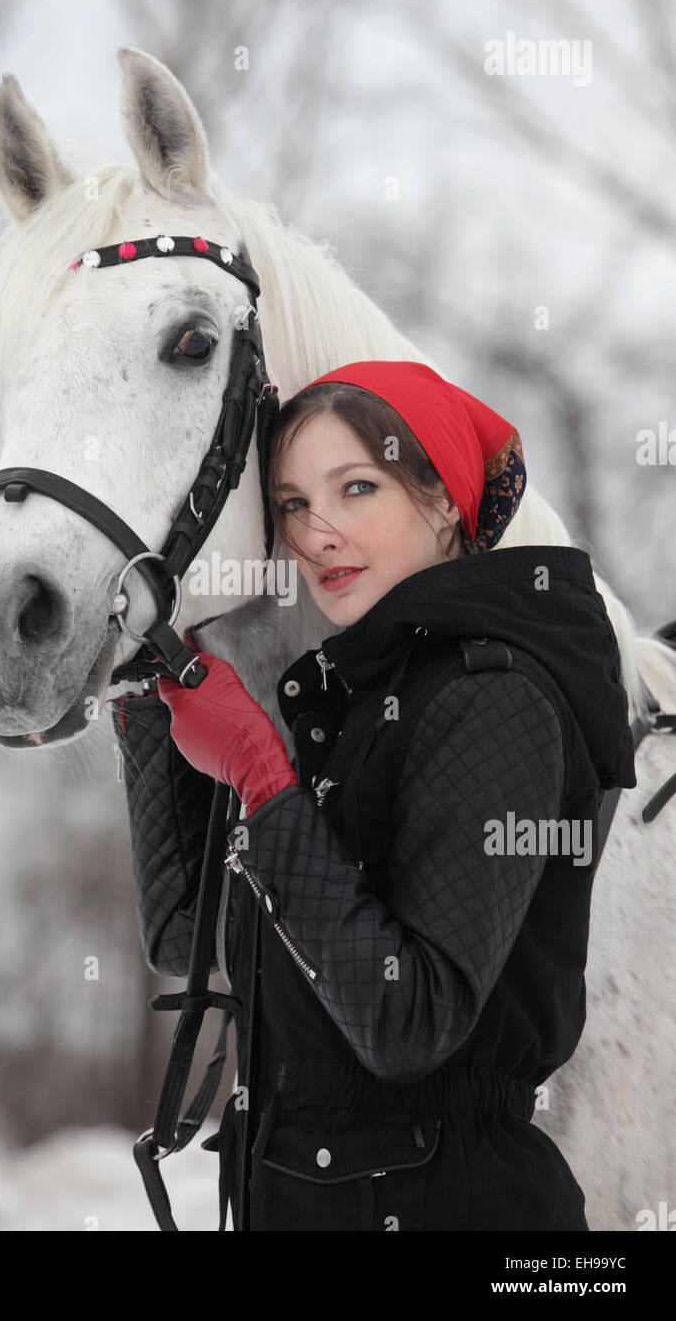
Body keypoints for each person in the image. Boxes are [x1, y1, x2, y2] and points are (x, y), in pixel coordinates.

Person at [111, 360, 637, 1232]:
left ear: (443, 502)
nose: (317, 531)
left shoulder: (494, 699)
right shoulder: (351, 711)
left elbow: (407, 1020)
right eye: (291, 504)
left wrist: (257, 771)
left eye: (357, 488)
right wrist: (148, 687)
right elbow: (188, 936)